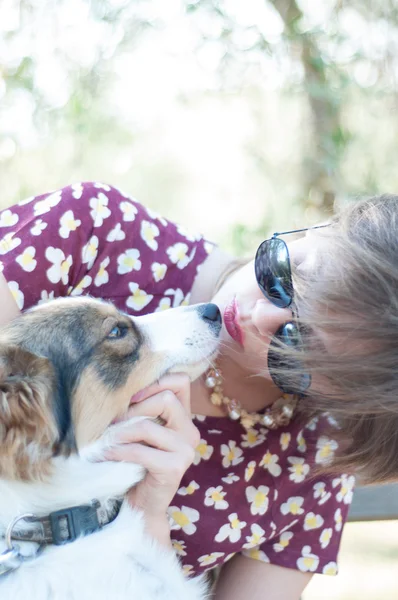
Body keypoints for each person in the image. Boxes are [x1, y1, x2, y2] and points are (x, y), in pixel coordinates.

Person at [0, 182, 395, 599]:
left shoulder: (319, 462)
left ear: (344, 399)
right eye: (287, 273)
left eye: (300, 341)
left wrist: (148, 520)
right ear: (320, 229)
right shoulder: (91, 230)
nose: (257, 312)